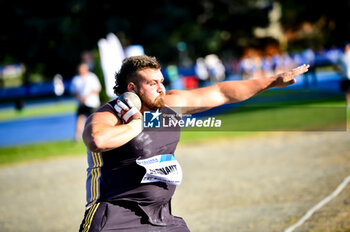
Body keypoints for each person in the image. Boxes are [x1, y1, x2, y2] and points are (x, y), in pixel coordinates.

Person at [78, 55, 309, 232]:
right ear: (132, 89)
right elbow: (98, 140)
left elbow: (222, 93)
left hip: (161, 218)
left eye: (162, 81)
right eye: (153, 83)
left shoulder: (170, 105)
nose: (161, 88)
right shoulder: (109, 115)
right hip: (115, 220)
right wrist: (137, 124)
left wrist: (272, 81)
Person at [70, 63, 101, 142]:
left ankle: (95, 135)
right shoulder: (76, 79)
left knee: (92, 120)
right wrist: (79, 98)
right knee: (80, 119)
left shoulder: (91, 77)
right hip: (81, 103)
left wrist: (86, 97)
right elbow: (73, 92)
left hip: (92, 103)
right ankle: (77, 137)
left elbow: (97, 89)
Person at [338, 43, 350, 107]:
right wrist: (339, 72)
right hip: (344, 76)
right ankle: (348, 104)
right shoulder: (341, 56)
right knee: (346, 91)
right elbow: (335, 65)